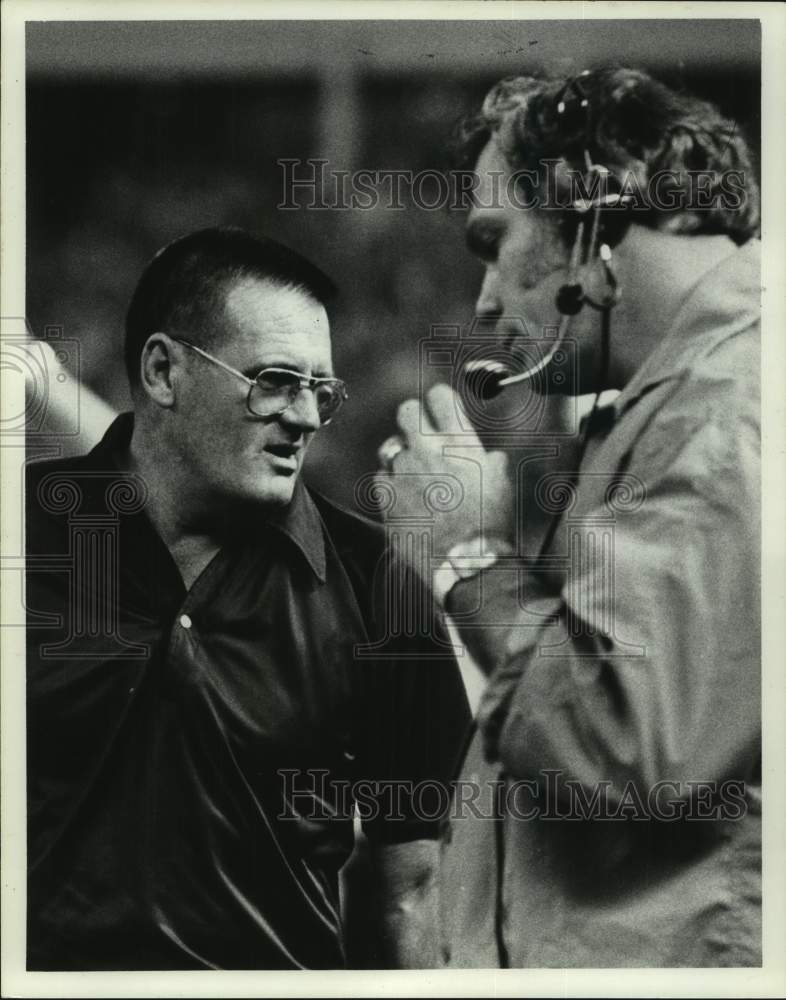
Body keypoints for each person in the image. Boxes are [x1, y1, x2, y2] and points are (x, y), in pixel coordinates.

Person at [376, 67, 761, 966]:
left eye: (493, 240)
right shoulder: (691, 392)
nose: (482, 300)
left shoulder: (732, 397)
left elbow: (628, 744)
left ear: (593, 207)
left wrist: (466, 557)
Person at [25, 227, 471, 970]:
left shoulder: (378, 582)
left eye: (320, 391)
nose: (303, 418)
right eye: (274, 382)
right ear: (164, 371)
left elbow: (416, 890)